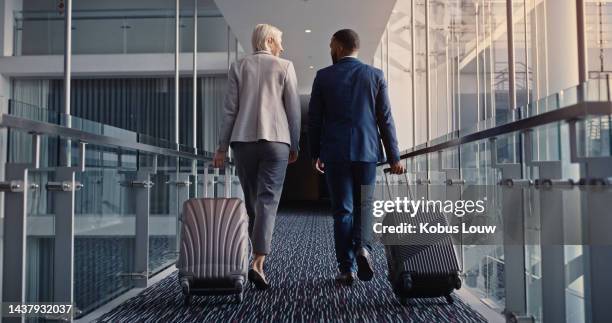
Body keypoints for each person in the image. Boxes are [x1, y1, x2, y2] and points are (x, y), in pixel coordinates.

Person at [308, 29, 404, 286]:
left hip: (335, 153)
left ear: (339, 47)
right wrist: (394, 157)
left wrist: (315, 153)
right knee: (366, 206)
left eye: (331, 44)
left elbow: (315, 119)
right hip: (367, 152)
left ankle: (346, 268)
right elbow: (385, 119)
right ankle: (363, 248)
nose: (330, 49)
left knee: (343, 211)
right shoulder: (375, 75)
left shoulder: (323, 77)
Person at [213, 23, 300, 290]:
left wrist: (221, 147)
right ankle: (257, 262)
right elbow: (293, 111)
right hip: (276, 142)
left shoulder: (238, 67)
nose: (282, 48)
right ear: (270, 40)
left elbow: (229, 111)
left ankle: (257, 257)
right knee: (268, 201)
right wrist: (294, 144)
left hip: (243, 142)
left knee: (253, 202)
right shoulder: (285, 67)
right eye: (280, 41)